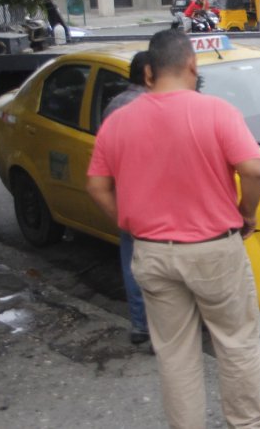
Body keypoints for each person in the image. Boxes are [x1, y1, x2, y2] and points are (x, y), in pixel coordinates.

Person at [87, 29, 260, 429]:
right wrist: (247, 213)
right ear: (192, 65)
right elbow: (254, 170)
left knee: (175, 353)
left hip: (153, 253)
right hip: (214, 251)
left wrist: (126, 220)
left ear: (148, 73)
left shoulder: (118, 121)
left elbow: (95, 185)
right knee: (237, 343)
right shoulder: (217, 112)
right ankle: (248, 425)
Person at [101, 51, 151, 345]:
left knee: (133, 263)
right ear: (149, 74)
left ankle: (140, 325)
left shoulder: (115, 106)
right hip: (157, 199)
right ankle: (163, 329)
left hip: (125, 196)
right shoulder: (154, 107)